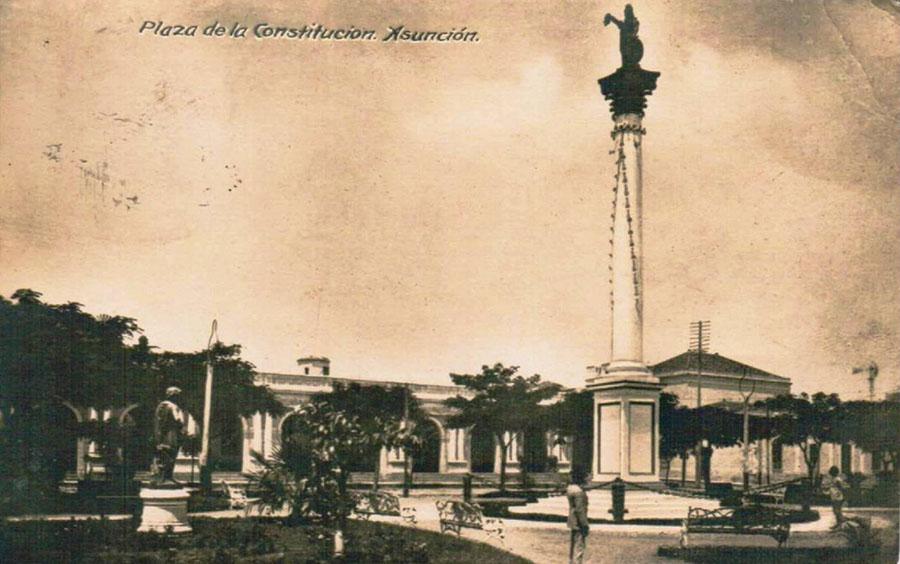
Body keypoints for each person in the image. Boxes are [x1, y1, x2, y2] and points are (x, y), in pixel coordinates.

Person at [151, 386, 184, 485]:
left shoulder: (173, 405)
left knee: (172, 455)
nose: (178, 398)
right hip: (168, 434)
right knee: (166, 455)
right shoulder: (165, 406)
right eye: (176, 395)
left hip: (173, 433)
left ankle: (169, 476)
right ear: (171, 395)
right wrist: (159, 439)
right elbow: (161, 423)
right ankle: (162, 478)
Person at [566, 467, 590, 564]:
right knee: (579, 546)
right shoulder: (578, 492)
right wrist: (585, 524)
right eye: (586, 476)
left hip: (572, 520)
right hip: (579, 522)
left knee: (573, 545)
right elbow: (580, 510)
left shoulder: (571, 489)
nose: (588, 478)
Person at [825, 465, 848, 530]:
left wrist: (842, 497)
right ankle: (838, 524)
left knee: (837, 511)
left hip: (837, 497)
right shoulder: (834, 479)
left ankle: (842, 524)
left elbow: (841, 488)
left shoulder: (837, 479)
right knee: (836, 511)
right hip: (834, 496)